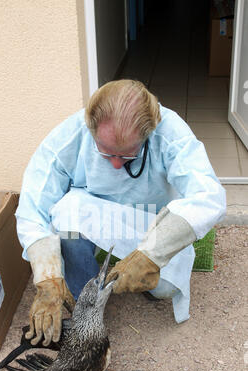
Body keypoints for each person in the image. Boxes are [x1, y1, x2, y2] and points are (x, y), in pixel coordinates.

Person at [16, 79, 226, 346]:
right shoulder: (72, 133)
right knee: (65, 211)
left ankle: (144, 270)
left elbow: (210, 197)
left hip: (148, 218)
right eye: (106, 153)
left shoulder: (170, 133)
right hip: (91, 214)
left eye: (127, 156)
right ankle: (85, 306)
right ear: (90, 127)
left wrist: (152, 254)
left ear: (149, 131)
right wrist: (47, 278)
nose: (116, 165)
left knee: (165, 290)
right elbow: (33, 207)